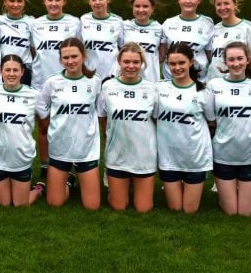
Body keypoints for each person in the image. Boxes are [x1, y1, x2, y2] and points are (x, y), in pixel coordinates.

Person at [36, 37, 102, 210]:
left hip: (86, 149)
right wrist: (49, 124)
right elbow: (41, 105)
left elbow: (101, 111)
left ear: (83, 56)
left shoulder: (94, 82)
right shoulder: (52, 82)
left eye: (74, 56)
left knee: (92, 206)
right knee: (54, 203)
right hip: (60, 146)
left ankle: (72, 177)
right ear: (60, 59)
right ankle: (69, 181)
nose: (70, 61)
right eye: (66, 58)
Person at [204, 42, 251, 216]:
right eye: (231, 59)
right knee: (230, 211)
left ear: (247, 60)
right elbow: (211, 118)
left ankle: (249, 192)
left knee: (246, 213)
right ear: (225, 62)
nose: (236, 63)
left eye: (240, 58)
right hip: (224, 153)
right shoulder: (214, 85)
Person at [100, 42, 158, 212]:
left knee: (143, 209)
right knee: (119, 206)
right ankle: (113, 180)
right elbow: (103, 119)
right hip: (117, 155)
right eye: (126, 62)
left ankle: (135, 181)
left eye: (135, 62)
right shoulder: (108, 87)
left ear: (142, 63)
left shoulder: (152, 89)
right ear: (119, 61)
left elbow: (156, 121)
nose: (131, 66)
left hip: (144, 157)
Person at [31, 0, 81, 178]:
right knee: (44, 125)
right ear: (44, 1)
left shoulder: (74, 22)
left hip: (67, 82)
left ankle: (73, 165)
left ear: (64, 1)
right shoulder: (35, 23)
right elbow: (33, 50)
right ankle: (45, 165)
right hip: (41, 82)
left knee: (69, 124)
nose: (53, 3)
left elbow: (78, 52)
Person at [156, 43, 212, 214]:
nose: (177, 67)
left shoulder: (203, 91)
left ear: (191, 62)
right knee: (175, 208)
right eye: (172, 64)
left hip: (194, 157)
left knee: (189, 210)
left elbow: (211, 121)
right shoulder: (159, 88)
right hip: (168, 157)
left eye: (181, 63)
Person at [0, 54, 45, 207]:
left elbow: (45, 120)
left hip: (21, 157)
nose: (11, 74)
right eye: (7, 70)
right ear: (0, 71)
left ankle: (37, 190)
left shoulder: (34, 95)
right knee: (4, 204)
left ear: (22, 72)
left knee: (20, 205)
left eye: (15, 70)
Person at [160, 0, 213, 82]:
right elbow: (161, 55)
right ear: (178, 0)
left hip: (199, 82)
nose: (188, 1)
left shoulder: (207, 24)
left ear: (199, 0)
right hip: (171, 81)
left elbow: (211, 57)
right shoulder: (168, 23)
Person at [206, 0, 251, 80]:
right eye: (218, 4)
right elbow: (210, 57)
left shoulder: (248, 27)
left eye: (226, 3)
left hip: (238, 83)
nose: (222, 7)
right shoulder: (213, 29)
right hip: (214, 82)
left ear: (235, 4)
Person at [81, 0, 123, 80]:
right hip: (88, 76)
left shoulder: (118, 21)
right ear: (89, 1)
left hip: (111, 77)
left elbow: (123, 49)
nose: (97, 2)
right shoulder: (83, 20)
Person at [122, 0, 163, 82]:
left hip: (151, 82)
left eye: (145, 6)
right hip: (128, 81)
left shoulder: (160, 28)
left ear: (152, 8)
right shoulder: (123, 26)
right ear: (132, 7)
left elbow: (161, 56)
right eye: (137, 6)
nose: (141, 10)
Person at [0, 0, 35, 86]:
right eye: (12, 1)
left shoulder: (31, 22)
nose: (15, 4)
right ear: (5, 2)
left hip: (24, 72)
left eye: (19, 1)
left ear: (24, 3)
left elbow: (34, 50)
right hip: (3, 71)